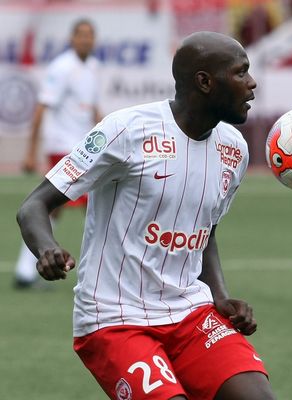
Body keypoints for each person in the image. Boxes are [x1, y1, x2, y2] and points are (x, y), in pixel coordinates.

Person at [17, 31, 276, 400]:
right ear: (204, 82)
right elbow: (34, 205)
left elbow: (206, 232)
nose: (251, 83)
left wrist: (220, 295)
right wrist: (46, 249)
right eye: (240, 73)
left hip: (190, 312)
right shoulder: (126, 130)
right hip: (115, 319)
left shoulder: (234, 149)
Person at [15, 18, 101, 289]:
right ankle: (31, 269)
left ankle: (25, 271)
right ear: (72, 38)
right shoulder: (62, 68)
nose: (86, 40)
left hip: (84, 148)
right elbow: (42, 108)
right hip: (64, 147)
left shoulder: (93, 67)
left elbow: (92, 111)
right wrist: (31, 152)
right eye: (81, 35)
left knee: (69, 208)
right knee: (74, 206)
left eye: (90, 35)